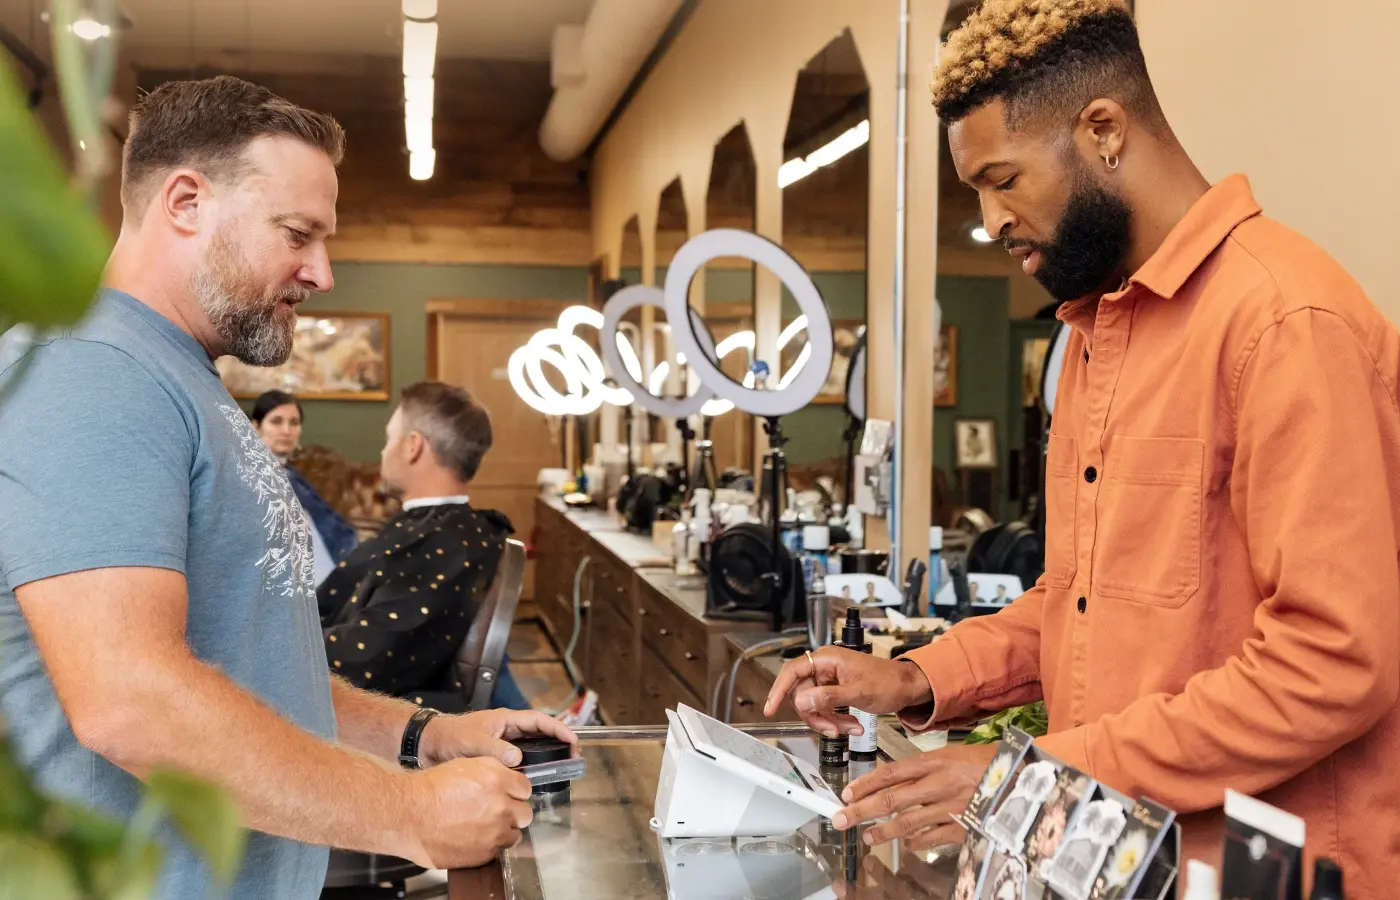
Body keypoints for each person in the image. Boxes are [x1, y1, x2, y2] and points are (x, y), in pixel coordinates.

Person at [765, 1, 1400, 894]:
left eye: (1002, 179)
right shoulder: (1098, 333)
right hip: (1114, 859)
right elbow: (1082, 603)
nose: (990, 221)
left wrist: (1031, 776)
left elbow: (1333, 662)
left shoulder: (1286, 322)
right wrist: (912, 678)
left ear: (1103, 129)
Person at [0, 75, 574, 900]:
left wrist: (424, 736)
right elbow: (130, 701)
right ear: (187, 202)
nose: (323, 271)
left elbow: (252, 665)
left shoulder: (181, 378)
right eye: (297, 233)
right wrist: (407, 811)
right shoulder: (92, 372)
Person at [319, 381, 531, 712]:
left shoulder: (447, 544)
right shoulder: (443, 530)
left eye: (390, 439)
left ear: (413, 446)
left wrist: (272, 641)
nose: (383, 451)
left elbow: (367, 657)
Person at [250, 389, 358, 586]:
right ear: (256, 427)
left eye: (294, 422)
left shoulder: (292, 477)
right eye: (276, 421)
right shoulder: (250, 475)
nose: (286, 431)